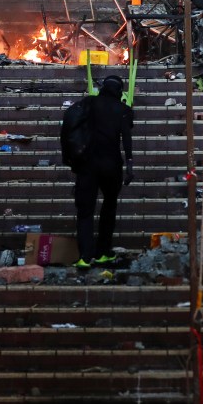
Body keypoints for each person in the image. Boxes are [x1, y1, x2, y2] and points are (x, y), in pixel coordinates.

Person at [68, 75, 134, 269]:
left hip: (87, 165)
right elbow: (127, 137)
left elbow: (72, 121)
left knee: (85, 211)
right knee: (109, 207)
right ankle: (104, 252)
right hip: (111, 166)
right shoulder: (123, 110)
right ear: (119, 91)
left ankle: (85, 257)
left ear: (102, 88)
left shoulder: (89, 103)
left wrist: (72, 156)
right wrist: (129, 163)